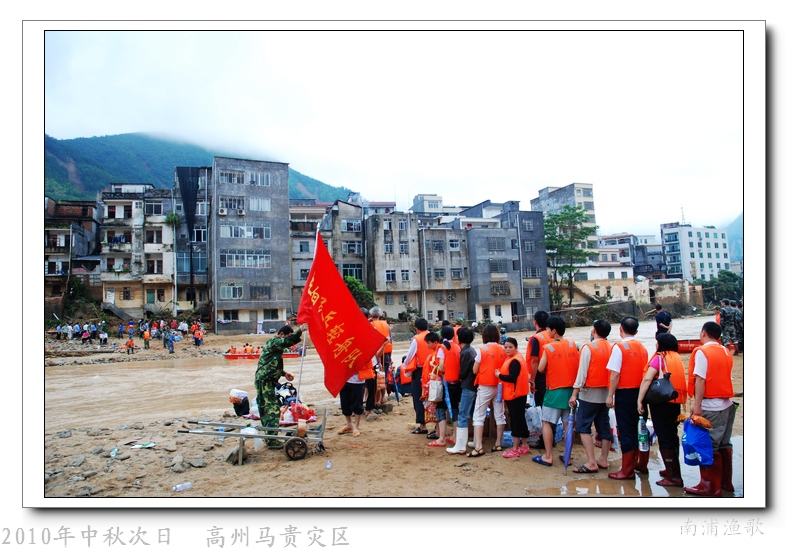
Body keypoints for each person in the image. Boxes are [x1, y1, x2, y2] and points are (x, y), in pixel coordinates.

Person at [684, 322, 736, 496]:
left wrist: (697, 405)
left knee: (708, 445)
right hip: (727, 405)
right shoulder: (725, 351)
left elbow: (700, 379)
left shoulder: (702, 352)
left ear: (703, 333)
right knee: (724, 443)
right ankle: (725, 483)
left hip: (711, 406)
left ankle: (710, 486)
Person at [637, 333, 688, 487]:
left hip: (661, 402)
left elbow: (647, 378)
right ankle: (671, 468)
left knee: (664, 436)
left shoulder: (659, 358)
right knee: (672, 434)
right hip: (675, 401)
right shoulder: (676, 357)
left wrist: (639, 400)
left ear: (661, 345)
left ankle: (674, 477)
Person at [532, 316, 581, 467]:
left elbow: (540, 368)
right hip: (572, 391)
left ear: (553, 331)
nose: (546, 331)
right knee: (568, 425)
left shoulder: (549, 348)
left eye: (547, 329)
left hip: (554, 391)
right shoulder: (574, 344)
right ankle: (568, 456)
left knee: (546, 422)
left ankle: (548, 456)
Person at [606, 317, 650, 480]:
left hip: (625, 394)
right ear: (636, 331)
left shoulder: (619, 347)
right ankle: (642, 464)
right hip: (641, 394)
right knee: (641, 429)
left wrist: (610, 395)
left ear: (620, 329)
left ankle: (627, 470)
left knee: (626, 431)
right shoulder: (643, 348)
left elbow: (615, 374)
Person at [569, 319, 614, 473]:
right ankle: (603, 459)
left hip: (589, 394)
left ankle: (591, 462)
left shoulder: (589, 347)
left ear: (594, 331)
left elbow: (582, 374)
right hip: (606, 394)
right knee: (604, 426)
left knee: (583, 426)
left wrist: (574, 394)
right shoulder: (612, 347)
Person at [254, 324, 307, 449]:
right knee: (272, 409)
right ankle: (271, 440)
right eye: (287, 336)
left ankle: (269, 437)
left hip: (265, 379)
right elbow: (287, 341)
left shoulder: (275, 346)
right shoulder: (274, 342)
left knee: (265, 408)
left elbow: (270, 363)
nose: (287, 340)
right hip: (265, 380)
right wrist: (300, 330)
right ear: (282, 334)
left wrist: (284, 373)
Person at [468, 324, 508, 457]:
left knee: (478, 415)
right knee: (500, 414)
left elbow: (475, 370)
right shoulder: (504, 349)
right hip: (500, 385)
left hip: (485, 386)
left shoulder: (482, 350)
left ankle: (478, 446)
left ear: (484, 336)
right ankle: (498, 443)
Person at [495, 337, 530, 458]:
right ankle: (524, 445)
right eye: (505, 347)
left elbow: (512, 378)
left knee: (515, 421)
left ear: (516, 347)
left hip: (515, 395)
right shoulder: (517, 358)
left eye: (510, 347)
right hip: (519, 394)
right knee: (520, 419)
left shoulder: (515, 361)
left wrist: (499, 375)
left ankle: (515, 448)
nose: (507, 349)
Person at [447, 326, 477, 454]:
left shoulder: (465, 352)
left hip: (467, 386)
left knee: (462, 414)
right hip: (473, 386)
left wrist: (455, 375)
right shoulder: (471, 350)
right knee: (473, 413)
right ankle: (475, 441)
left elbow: (463, 372)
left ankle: (460, 445)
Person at [402, 318, 433, 435]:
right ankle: (437, 426)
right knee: (435, 396)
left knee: (418, 396)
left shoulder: (416, 339)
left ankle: (422, 425)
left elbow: (410, 355)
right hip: (434, 369)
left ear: (417, 329)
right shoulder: (434, 337)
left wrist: (405, 366)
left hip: (420, 370)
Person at [528, 310, 554, 449]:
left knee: (542, 408)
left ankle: (545, 440)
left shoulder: (536, 338)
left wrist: (531, 381)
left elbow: (534, 361)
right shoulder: (553, 335)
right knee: (552, 408)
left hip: (540, 377)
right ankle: (552, 436)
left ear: (535, 322)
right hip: (553, 376)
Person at [422, 331, 450, 446]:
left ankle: (440, 436)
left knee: (439, 409)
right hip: (442, 382)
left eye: (428, 343)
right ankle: (439, 432)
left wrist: (434, 366)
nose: (427, 345)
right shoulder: (439, 350)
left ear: (435, 342)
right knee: (440, 409)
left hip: (440, 384)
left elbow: (441, 368)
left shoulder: (439, 351)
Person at [369, 307, 393, 393]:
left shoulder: (369, 325)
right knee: (383, 376)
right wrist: (390, 357)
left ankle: (375, 396)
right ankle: (382, 396)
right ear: (379, 315)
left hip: (374, 356)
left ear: (371, 315)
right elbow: (391, 340)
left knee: (375, 376)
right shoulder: (386, 325)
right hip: (386, 353)